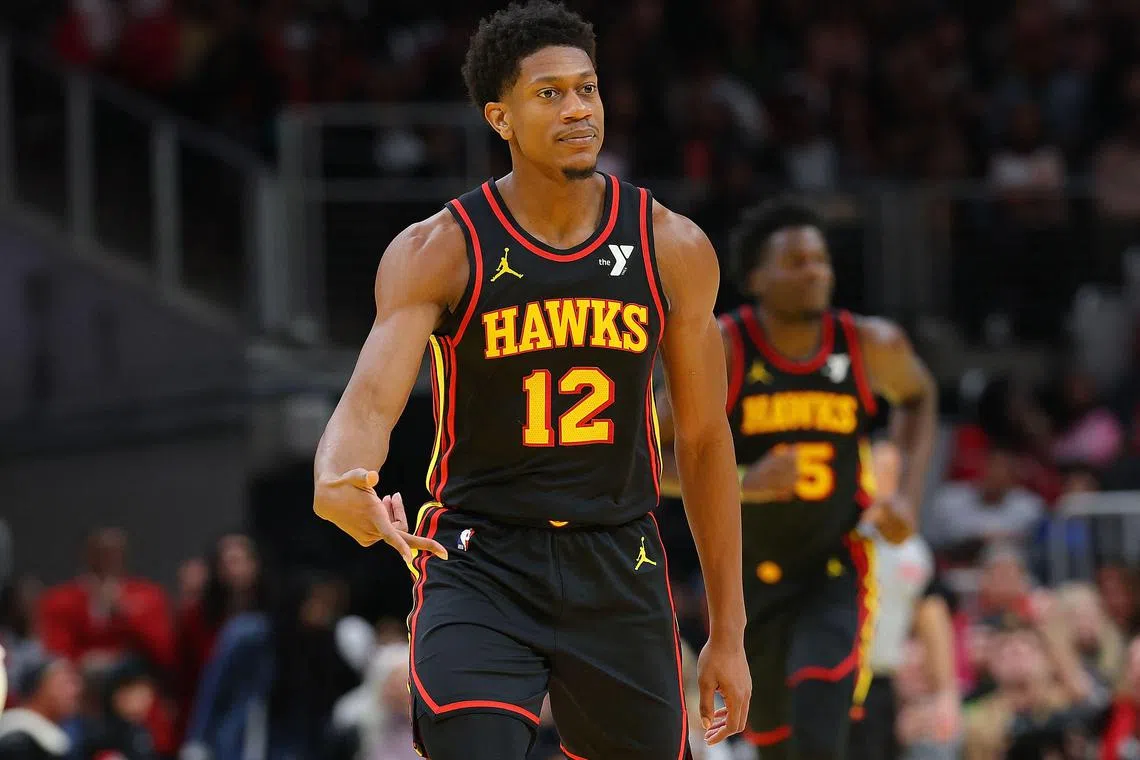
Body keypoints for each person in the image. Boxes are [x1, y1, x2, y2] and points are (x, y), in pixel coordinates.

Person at [312, 2, 750, 758]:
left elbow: (707, 441)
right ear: (500, 116)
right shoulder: (440, 250)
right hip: (481, 561)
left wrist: (729, 633)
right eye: (550, 94)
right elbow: (370, 399)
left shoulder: (671, 245)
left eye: (587, 88)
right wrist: (337, 475)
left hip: (619, 559)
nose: (578, 109)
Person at [656, 196, 937, 759]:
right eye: (798, 262)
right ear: (756, 277)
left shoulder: (870, 343)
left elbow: (918, 395)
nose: (816, 272)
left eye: (821, 260)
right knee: (776, 742)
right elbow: (647, 460)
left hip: (834, 566)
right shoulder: (725, 348)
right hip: (746, 580)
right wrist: (741, 479)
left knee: (819, 718)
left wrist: (904, 495)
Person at [0, 656, 81, 760]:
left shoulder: (48, 737)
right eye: (65, 683)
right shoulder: (17, 742)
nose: (75, 691)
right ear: (39, 689)